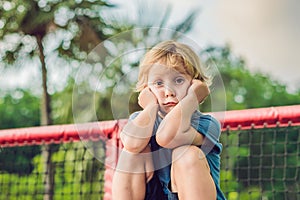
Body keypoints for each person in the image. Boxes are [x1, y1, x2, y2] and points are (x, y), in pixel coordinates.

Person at [112, 40, 225, 200]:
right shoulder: (141, 120)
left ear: (195, 83)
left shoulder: (207, 124)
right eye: (158, 83)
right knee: (131, 153)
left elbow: (168, 136)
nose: (169, 91)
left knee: (185, 153)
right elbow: (131, 143)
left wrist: (192, 98)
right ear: (147, 89)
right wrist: (150, 107)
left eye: (178, 81)